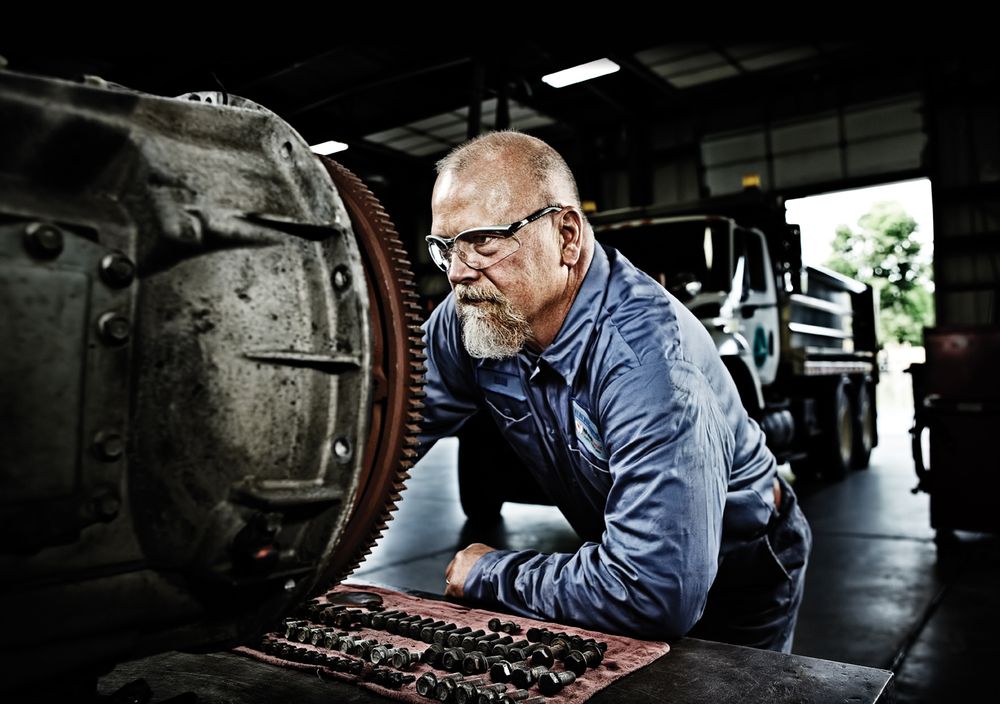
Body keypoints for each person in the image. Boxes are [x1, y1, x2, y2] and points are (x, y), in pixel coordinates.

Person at [418, 130, 811, 652]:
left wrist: (492, 573)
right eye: (445, 247)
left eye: (483, 242)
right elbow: (385, 433)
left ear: (566, 237)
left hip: (742, 565)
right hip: (635, 552)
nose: (456, 273)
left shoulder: (649, 364)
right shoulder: (475, 315)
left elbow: (654, 591)